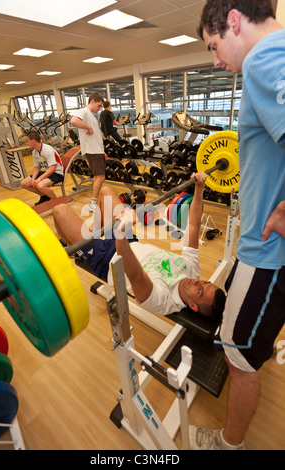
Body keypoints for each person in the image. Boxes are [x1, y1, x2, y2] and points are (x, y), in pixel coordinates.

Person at [191, 0, 285, 451]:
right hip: (268, 251)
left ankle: (227, 446)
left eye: (213, 45)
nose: (215, 59)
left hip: (267, 253)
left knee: (237, 355)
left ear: (233, 20)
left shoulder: (265, 58)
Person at [53, 172, 226, 320]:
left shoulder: (165, 301)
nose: (197, 282)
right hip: (129, 241)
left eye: (200, 291)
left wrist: (121, 231)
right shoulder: (192, 269)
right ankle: (93, 238)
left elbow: (134, 274)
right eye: (205, 282)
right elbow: (194, 226)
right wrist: (199, 187)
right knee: (106, 192)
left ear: (193, 306)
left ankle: (82, 249)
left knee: (60, 210)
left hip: (107, 260)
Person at [70, 93, 107, 213]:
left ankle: (94, 202)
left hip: (97, 151)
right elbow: (73, 120)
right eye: (99, 105)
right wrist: (88, 127)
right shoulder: (84, 111)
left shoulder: (90, 115)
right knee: (101, 177)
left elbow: (96, 137)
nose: (99, 108)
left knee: (98, 177)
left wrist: (103, 152)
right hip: (93, 151)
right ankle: (93, 203)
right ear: (92, 102)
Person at [20, 131, 64, 205]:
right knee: (24, 183)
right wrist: (34, 179)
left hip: (57, 173)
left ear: (33, 141)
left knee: (40, 185)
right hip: (45, 172)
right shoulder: (34, 152)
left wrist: (39, 179)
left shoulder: (47, 150)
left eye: (27, 141)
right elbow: (36, 168)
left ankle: (57, 202)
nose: (26, 143)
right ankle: (44, 196)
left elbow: (52, 168)